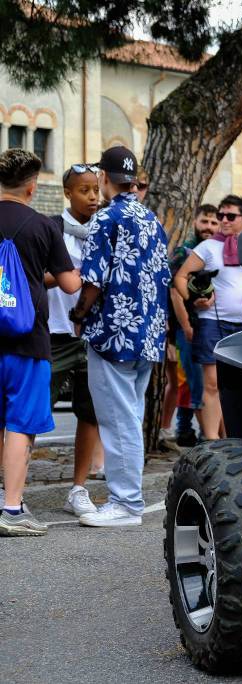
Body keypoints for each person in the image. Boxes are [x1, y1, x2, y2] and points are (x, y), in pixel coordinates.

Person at [69, 145, 170, 528]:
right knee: (131, 415)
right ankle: (128, 498)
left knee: (118, 419)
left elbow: (93, 279)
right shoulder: (150, 219)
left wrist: (79, 314)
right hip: (147, 333)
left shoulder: (105, 219)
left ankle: (126, 503)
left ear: (103, 176)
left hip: (113, 331)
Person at [0, 149, 82, 536]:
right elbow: (69, 284)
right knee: (19, 424)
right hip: (27, 339)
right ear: (32, 186)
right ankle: (12, 510)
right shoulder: (43, 226)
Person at [47, 164, 104, 516]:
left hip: (92, 334)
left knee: (90, 413)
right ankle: (11, 486)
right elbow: (33, 277)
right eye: (85, 190)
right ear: (68, 192)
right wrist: (72, 276)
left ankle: (78, 489)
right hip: (53, 332)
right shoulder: (51, 228)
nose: (94, 197)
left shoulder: (104, 228)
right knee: (31, 413)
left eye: (96, 189)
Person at [174, 195, 242, 440]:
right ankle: (211, 440)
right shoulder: (208, 247)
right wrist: (194, 299)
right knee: (212, 384)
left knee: (239, 387)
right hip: (212, 322)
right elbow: (180, 277)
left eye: (231, 216)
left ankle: (233, 439)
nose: (224, 221)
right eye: (221, 216)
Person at [163, 204, 219, 447]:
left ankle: (187, 432)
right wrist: (186, 327)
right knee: (193, 382)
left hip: (209, 328)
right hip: (187, 329)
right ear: (195, 222)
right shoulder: (183, 254)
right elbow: (175, 293)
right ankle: (188, 432)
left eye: (213, 222)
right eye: (204, 221)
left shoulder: (215, 253)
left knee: (195, 382)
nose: (209, 227)